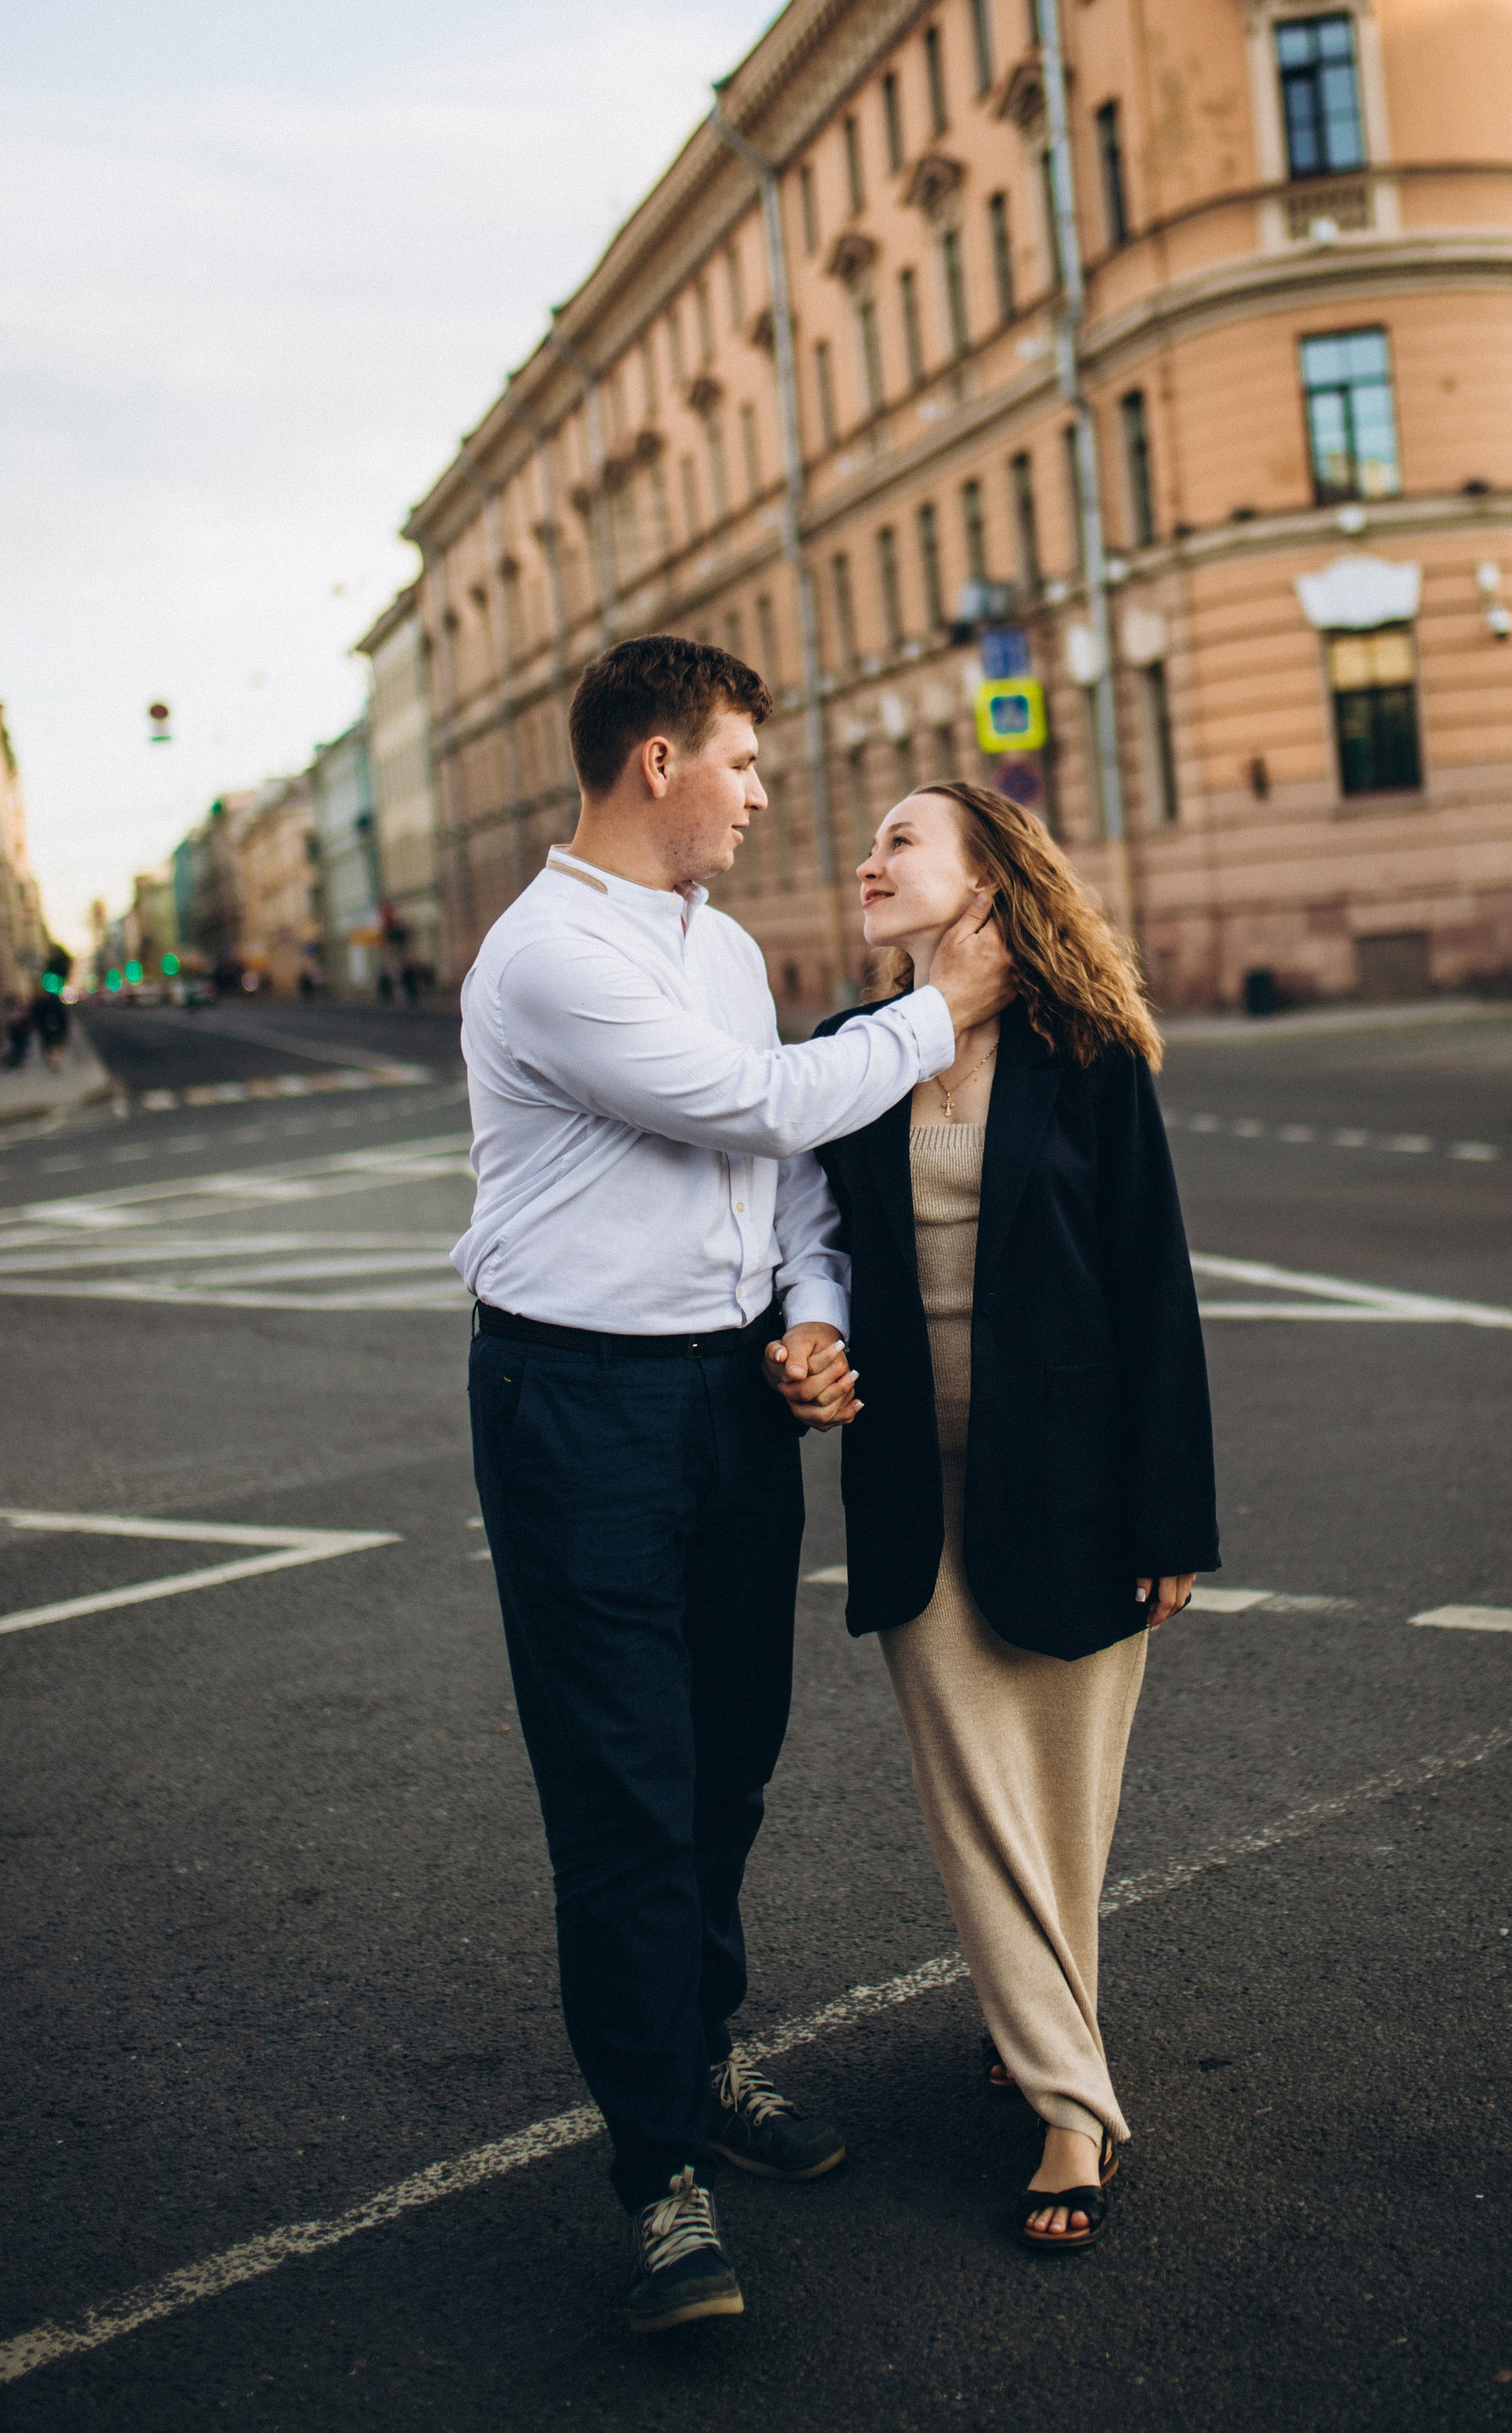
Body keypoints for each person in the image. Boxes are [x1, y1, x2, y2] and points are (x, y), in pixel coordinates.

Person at [453, 638, 1011, 2335]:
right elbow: (763, 1108)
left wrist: (806, 1322)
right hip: (580, 1411)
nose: (764, 795)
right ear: (654, 764)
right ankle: (654, 2175)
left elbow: (772, 1200)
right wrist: (947, 1007)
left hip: (724, 1407)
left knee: (724, 1769)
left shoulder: (707, 944)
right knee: (623, 1798)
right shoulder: (548, 955)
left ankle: (694, 2066)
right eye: (743, 764)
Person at [780, 781, 1218, 2254]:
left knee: (1064, 1808)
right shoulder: (853, 1056)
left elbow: (1153, 1290)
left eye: (900, 840)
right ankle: (1066, 2104)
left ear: (983, 882)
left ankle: (1032, 2028)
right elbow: (810, 1239)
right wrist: (807, 1336)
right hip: (917, 1494)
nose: (867, 860)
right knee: (977, 1804)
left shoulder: (1081, 1054)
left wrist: (1171, 1514)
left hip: (1080, 1492)